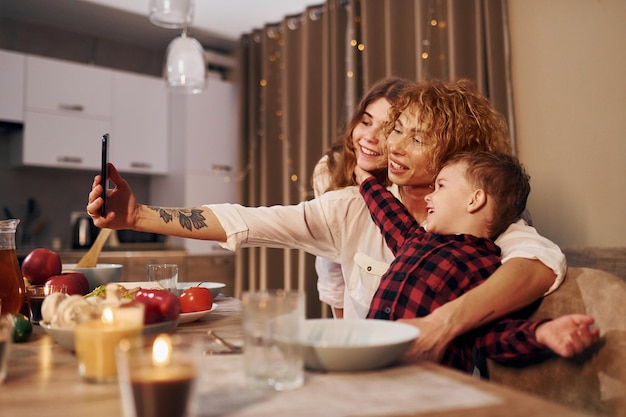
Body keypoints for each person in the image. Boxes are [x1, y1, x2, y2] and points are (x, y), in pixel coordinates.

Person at [86, 79, 566, 362]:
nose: (391, 146)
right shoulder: (354, 205)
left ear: (455, 155)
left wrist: (441, 325)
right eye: (394, 129)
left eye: (413, 139)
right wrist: (138, 214)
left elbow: (539, 263)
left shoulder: (486, 220)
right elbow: (246, 220)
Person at [357, 151, 598, 372]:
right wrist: (363, 177)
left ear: (475, 200)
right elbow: (387, 212)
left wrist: (542, 333)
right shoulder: (416, 238)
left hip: (424, 383)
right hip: (366, 364)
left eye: (440, 186)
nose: (430, 195)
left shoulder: (487, 266)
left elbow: (492, 336)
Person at [311, 77, 411, 318]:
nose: (370, 136)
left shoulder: (409, 183)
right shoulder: (330, 168)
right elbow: (329, 259)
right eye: (365, 122)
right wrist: (342, 325)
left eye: (387, 129)